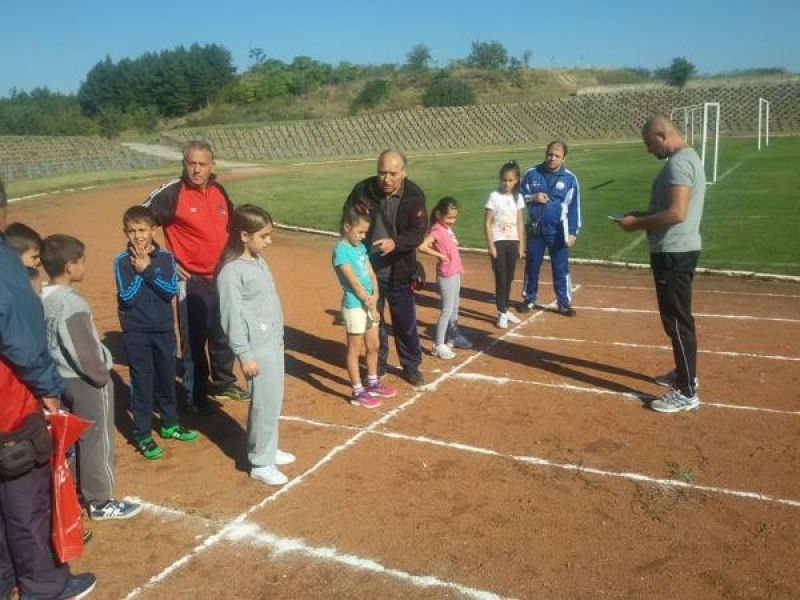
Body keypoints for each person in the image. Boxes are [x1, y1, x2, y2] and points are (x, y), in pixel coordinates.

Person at [0, 180, 97, 600]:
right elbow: (21, 338)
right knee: (27, 501)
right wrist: (49, 390)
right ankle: (45, 584)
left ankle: (7, 580)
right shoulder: (5, 266)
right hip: (10, 408)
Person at [40, 234, 142, 521]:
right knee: (97, 439)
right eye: (81, 262)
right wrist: (102, 374)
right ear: (70, 266)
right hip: (85, 381)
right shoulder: (72, 304)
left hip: (58, 378)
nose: (84, 266)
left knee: (71, 440)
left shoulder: (42, 296)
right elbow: (85, 353)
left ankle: (73, 489)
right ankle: (100, 499)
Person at [144, 140, 249, 416]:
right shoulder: (171, 194)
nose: (197, 169)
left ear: (212, 166)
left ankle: (223, 382)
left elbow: (232, 226)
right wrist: (164, 257)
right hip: (191, 280)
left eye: (203, 164)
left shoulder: (218, 190)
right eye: (192, 163)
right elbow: (140, 222)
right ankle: (196, 393)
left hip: (222, 274)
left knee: (223, 329)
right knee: (194, 339)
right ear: (184, 164)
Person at [617, 115, 705, 413]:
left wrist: (637, 223)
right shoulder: (689, 158)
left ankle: (686, 390)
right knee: (678, 319)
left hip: (673, 253)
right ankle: (683, 375)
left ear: (661, 135)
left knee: (677, 322)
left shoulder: (679, 163)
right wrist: (640, 215)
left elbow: (677, 213)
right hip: (679, 249)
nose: (648, 150)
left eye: (648, 143)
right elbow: (671, 210)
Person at [216, 205, 295, 486]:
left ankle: (267, 448)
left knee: (273, 401)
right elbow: (231, 316)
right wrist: (244, 353)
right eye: (264, 236)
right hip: (257, 349)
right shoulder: (231, 272)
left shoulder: (258, 260)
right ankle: (261, 462)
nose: (269, 241)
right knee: (263, 404)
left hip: (272, 342)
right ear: (244, 235)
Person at [113, 206, 199, 460]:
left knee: (165, 378)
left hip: (163, 329)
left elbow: (169, 290)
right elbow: (126, 298)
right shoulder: (120, 262)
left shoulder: (165, 258)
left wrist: (148, 270)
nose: (138, 236)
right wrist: (141, 272)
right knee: (142, 382)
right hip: (136, 332)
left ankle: (170, 422)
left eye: (142, 230)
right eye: (132, 231)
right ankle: (141, 433)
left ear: (153, 229)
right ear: (125, 232)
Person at [343, 150, 428, 386]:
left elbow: (419, 232)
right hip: (368, 271)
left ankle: (410, 365)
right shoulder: (362, 190)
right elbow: (347, 220)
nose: (387, 179)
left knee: (405, 322)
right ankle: (378, 364)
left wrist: (396, 243)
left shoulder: (413, 194)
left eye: (393, 173)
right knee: (374, 322)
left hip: (400, 270)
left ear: (403, 172)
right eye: (382, 173)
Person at [332, 201, 399, 407]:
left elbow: (370, 273)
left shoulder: (360, 247)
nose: (363, 236)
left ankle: (372, 382)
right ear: (347, 227)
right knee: (355, 348)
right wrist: (368, 301)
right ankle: (357, 390)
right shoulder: (341, 250)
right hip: (355, 305)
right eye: (360, 232)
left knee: (374, 344)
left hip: (369, 303)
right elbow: (352, 281)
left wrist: (376, 295)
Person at [519, 140, 581, 316]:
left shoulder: (570, 179)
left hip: (558, 230)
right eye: (550, 154)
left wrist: (572, 232)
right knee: (532, 265)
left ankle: (563, 302)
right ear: (545, 153)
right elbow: (518, 197)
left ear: (564, 158)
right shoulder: (531, 174)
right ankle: (529, 299)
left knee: (560, 267)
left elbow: (574, 208)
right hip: (535, 229)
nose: (552, 158)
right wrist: (533, 197)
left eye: (557, 156)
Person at [418, 197, 468, 359]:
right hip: (446, 273)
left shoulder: (446, 228)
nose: (452, 221)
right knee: (447, 309)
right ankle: (438, 344)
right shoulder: (437, 229)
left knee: (455, 307)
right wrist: (439, 255)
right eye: (449, 217)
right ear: (439, 215)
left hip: (455, 272)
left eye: (454, 217)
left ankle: (453, 337)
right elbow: (422, 246)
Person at [484, 160, 526, 329]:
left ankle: (505, 309)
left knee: (509, 278)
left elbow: (520, 222)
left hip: (512, 241)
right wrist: (490, 245)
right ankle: (501, 312)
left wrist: (521, 244)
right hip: (498, 241)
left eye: (510, 180)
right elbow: (487, 222)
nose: (506, 183)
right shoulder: (494, 196)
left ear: (516, 180)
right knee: (500, 278)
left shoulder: (518, 198)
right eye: (504, 180)